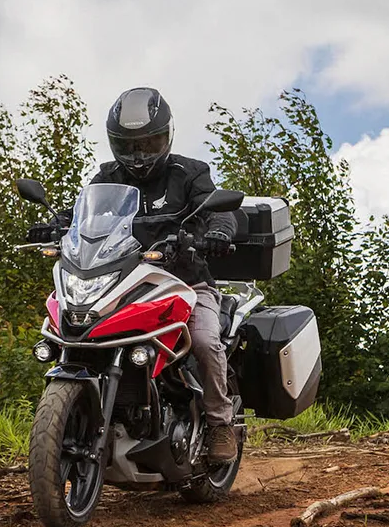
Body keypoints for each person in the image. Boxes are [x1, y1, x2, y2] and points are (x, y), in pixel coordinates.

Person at [27, 87, 239, 463]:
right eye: (129, 146)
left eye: (149, 143)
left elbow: (217, 210)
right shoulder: (107, 176)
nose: (139, 155)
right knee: (79, 333)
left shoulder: (189, 173)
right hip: (125, 281)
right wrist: (55, 225)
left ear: (167, 136)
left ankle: (220, 425)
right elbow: (83, 218)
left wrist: (218, 233)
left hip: (185, 282)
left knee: (205, 342)